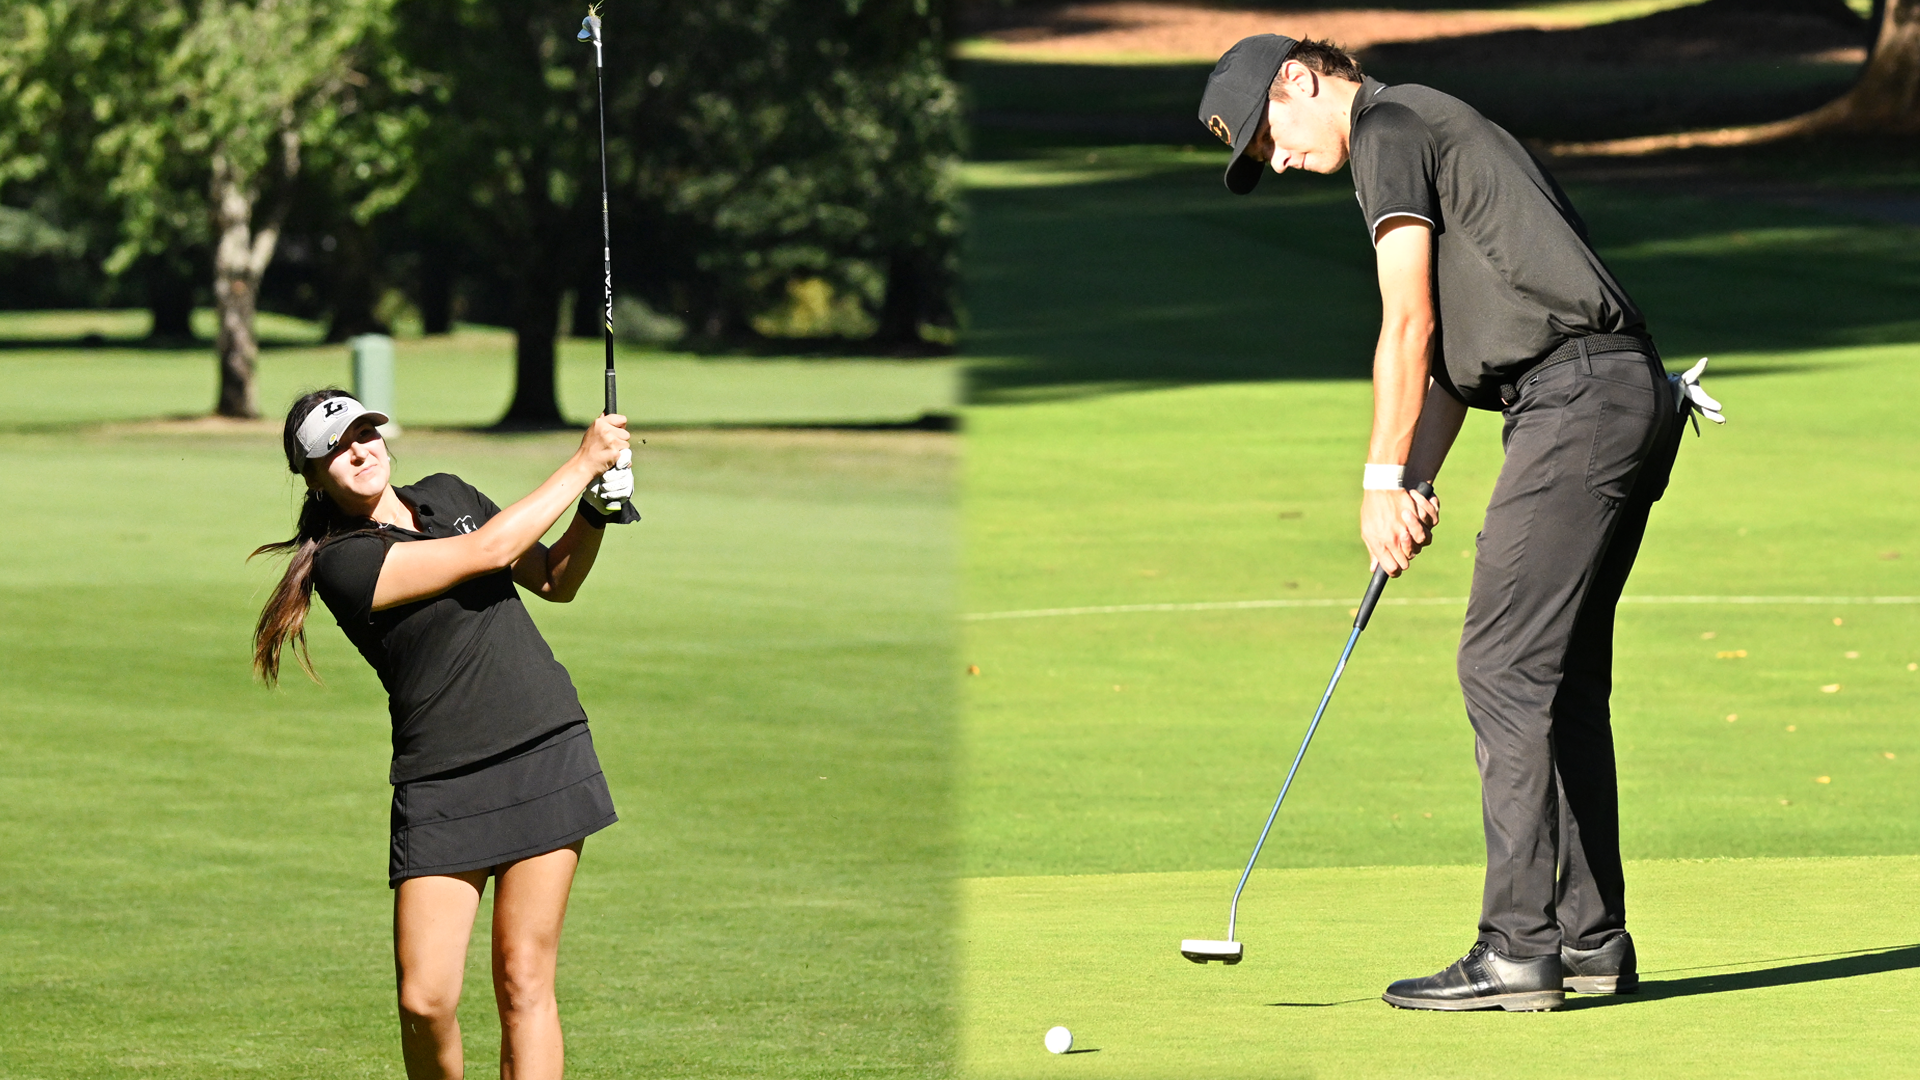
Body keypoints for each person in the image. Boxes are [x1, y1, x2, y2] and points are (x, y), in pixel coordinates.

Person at [1197, 35, 1719, 1011]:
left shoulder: (1388, 126)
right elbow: (1447, 363)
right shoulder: (1434, 123)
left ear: (1300, 80)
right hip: (1619, 397)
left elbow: (1406, 326)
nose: (1279, 159)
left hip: (1577, 403)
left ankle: (1517, 947)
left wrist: (1379, 481)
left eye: (1270, 136)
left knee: (1502, 668)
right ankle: (1591, 942)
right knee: (1556, 682)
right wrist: (1417, 478)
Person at [252, 387, 638, 1076]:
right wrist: (582, 463)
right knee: (425, 1000)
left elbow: (552, 578)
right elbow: (490, 550)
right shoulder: (345, 561)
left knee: (525, 982)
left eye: (365, 433)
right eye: (336, 449)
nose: (360, 452)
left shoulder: (447, 492)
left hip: (542, 748)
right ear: (311, 476)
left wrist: (595, 512)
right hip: (442, 784)